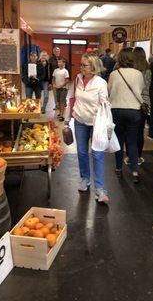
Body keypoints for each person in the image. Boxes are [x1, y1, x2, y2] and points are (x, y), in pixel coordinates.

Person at [64, 53, 109, 203]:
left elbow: (105, 104)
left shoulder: (101, 83)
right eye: (81, 65)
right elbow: (71, 99)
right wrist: (66, 119)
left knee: (97, 155)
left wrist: (106, 123)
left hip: (96, 124)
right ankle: (85, 179)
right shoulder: (77, 79)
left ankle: (100, 189)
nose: (81, 68)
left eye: (85, 65)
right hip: (79, 121)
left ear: (93, 67)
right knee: (82, 152)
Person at [108, 48, 144, 183]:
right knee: (132, 141)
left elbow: (109, 91)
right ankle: (135, 171)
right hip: (134, 111)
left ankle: (118, 168)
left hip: (116, 110)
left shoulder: (113, 74)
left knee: (119, 141)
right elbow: (140, 89)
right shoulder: (139, 74)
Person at [124, 47, 151, 166]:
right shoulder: (148, 70)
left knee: (129, 133)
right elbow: (147, 89)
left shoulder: (129, 69)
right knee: (140, 133)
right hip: (143, 104)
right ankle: (138, 157)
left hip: (129, 104)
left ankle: (130, 157)